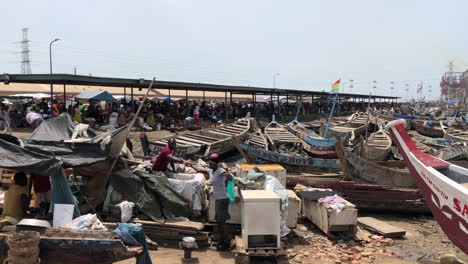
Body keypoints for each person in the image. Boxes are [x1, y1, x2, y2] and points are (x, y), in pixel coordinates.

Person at [205, 153, 233, 251]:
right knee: (220, 222)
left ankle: (228, 242)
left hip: (223, 200)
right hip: (219, 200)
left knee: (221, 223)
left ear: (214, 164)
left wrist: (228, 175)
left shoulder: (220, 171)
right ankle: (223, 240)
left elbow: (228, 177)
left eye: (210, 163)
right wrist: (191, 165)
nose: (208, 164)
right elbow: (201, 170)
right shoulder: (211, 171)